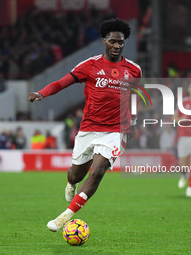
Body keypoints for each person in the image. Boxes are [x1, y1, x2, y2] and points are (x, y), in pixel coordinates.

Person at [28, 18, 141, 232]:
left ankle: (64, 217)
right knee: (76, 174)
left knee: (98, 172)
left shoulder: (133, 70)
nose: (117, 46)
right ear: (104, 41)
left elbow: (133, 98)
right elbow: (62, 82)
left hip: (114, 131)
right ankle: (71, 184)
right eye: (113, 41)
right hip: (89, 128)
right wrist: (42, 93)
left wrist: (132, 122)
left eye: (121, 42)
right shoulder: (89, 65)